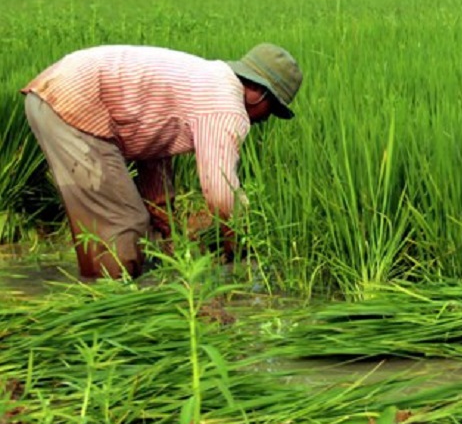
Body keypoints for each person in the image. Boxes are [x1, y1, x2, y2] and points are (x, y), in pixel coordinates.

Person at [20, 43, 303, 280]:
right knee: (124, 222)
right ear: (257, 93)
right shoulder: (226, 105)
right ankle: (109, 306)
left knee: (129, 227)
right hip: (74, 101)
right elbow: (220, 190)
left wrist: (165, 218)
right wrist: (237, 242)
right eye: (272, 109)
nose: (266, 119)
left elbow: (152, 150)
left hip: (55, 95)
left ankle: (113, 288)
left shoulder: (205, 80)